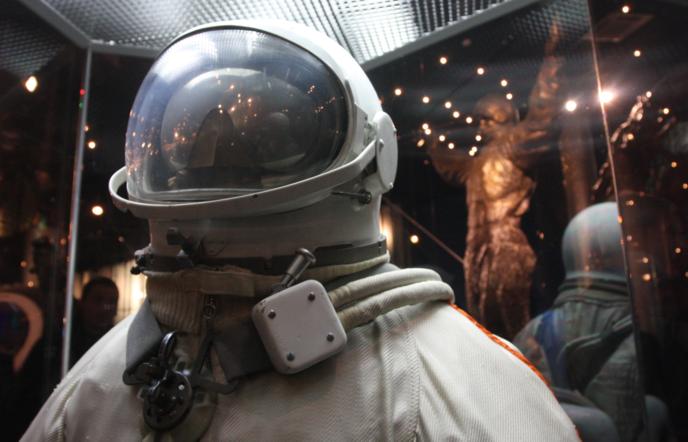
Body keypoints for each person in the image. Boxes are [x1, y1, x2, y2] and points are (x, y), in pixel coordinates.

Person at [23, 21, 577, 441]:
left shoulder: (92, 384)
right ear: (378, 157)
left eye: (260, 136)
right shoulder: (456, 384)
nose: (226, 149)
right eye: (207, 138)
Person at [428, 24, 562, 340]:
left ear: (501, 117)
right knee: (486, 325)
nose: (481, 127)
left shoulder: (513, 143)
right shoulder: (477, 163)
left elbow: (542, 115)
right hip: (478, 251)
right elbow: (450, 166)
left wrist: (551, 62)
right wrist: (432, 141)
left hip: (508, 245)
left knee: (514, 324)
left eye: (487, 119)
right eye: (480, 121)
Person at [513, 202, 646, 441]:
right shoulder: (644, 327)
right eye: (637, 249)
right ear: (615, 256)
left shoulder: (531, 333)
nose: (646, 258)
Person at [70, 277, 119, 365]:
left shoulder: (119, 341)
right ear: (83, 303)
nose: (105, 308)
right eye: (98, 300)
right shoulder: (68, 341)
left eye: (112, 302)